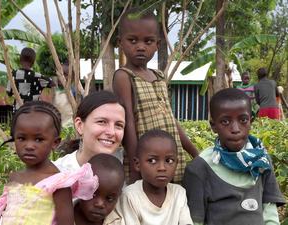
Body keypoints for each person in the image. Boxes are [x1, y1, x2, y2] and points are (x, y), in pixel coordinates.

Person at [113, 8, 198, 184]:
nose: (141, 47)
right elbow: (128, 121)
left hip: (170, 157)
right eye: (133, 40)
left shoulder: (159, 76)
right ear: (120, 42)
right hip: (146, 162)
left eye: (148, 41)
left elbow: (170, 118)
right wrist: (137, 168)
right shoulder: (124, 76)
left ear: (157, 44)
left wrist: (194, 152)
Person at [183, 88, 285, 225]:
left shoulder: (262, 161)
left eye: (243, 120)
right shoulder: (200, 168)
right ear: (213, 125)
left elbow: (270, 213)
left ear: (251, 121)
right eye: (225, 122)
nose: (235, 129)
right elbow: (195, 221)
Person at [0, 101, 98, 225]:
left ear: (55, 142)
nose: (29, 146)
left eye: (38, 139)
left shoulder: (58, 184)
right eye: (22, 138)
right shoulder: (15, 177)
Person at [116, 129, 193, 225]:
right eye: (152, 160)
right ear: (137, 164)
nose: (162, 168)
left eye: (169, 161)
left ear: (176, 163)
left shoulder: (179, 193)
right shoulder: (130, 196)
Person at [54, 90, 126, 172]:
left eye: (118, 125)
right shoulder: (54, 174)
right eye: (101, 122)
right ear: (79, 125)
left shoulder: (129, 170)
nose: (111, 132)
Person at [74, 153, 125, 225]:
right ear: (79, 186)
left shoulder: (119, 221)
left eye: (109, 198)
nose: (100, 204)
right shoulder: (60, 215)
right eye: (93, 194)